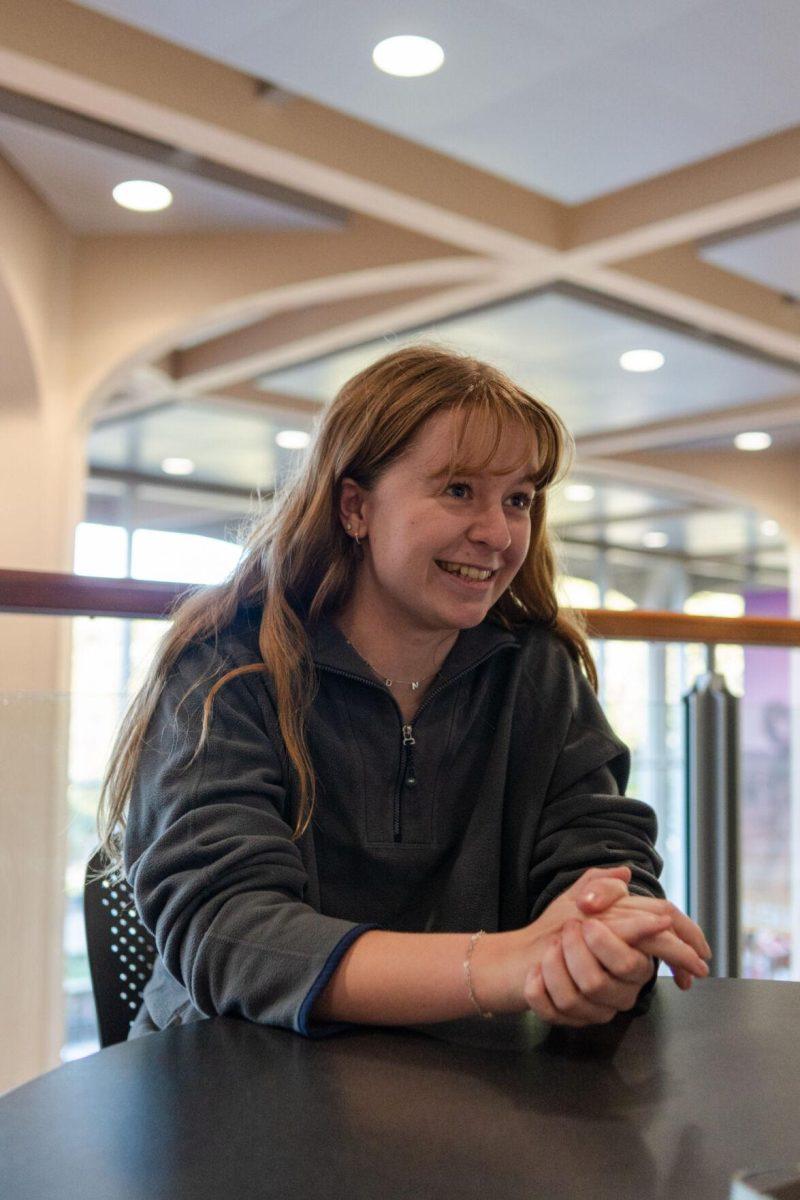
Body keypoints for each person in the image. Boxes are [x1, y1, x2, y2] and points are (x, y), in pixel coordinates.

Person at [97, 344, 710, 1039]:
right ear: (354, 506)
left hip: (473, 1087)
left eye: (518, 499)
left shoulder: (537, 670)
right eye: (458, 490)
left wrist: (606, 943)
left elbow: (600, 854)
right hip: (238, 1086)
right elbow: (230, 932)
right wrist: (506, 965)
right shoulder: (226, 668)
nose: (498, 532)